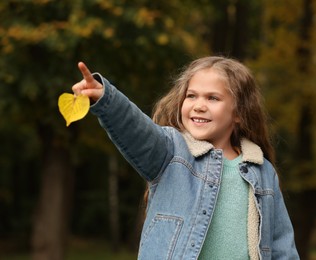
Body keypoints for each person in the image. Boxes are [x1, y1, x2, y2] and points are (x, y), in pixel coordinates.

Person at [72, 56, 299, 260]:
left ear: (239, 113)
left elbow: (281, 244)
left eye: (212, 98)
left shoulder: (262, 171)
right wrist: (106, 99)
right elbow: (137, 132)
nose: (199, 106)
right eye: (192, 96)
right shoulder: (171, 152)